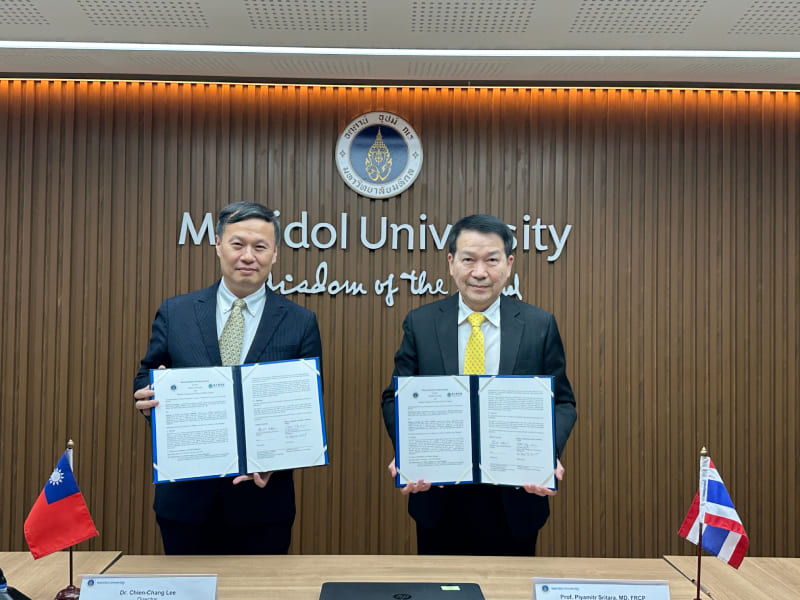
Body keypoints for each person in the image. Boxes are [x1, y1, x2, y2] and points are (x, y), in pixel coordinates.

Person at [381, 214, 577, 556]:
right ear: (452, 263)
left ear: (509, 264)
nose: (480, 272)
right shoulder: (421, 323)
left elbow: (562, 402)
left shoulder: (538, 325)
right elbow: (395, 398)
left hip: (516, 495)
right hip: (438, 494)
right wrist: (408, 450)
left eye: (492, 260)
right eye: (469, 259)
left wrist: (548, 453)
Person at [133, 201, 323, 555]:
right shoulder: (177, 312)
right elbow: (148, 372)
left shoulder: (300, 322)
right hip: (185, 502)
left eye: (260, 246)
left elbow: (304, 410)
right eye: (238, 244)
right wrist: (146, 398)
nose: (248, 256)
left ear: (275, 254)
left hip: (263, 506)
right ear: (218, 244)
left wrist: (279, 461)